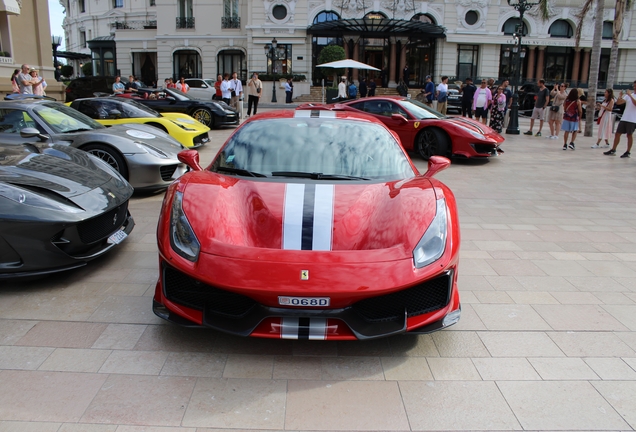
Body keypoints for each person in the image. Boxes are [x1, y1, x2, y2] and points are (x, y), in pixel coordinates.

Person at [604, 81, 636, 158]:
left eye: (635, 86)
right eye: (634, 86)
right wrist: (620, 96)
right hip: (624, 117)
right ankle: (613, 149)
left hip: (633, 119)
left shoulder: (630, 96)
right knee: (617, 133)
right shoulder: (630, 95)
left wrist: (630, 96)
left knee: (629, 135)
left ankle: (628, 151)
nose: (634, 87)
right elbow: (618, 103)